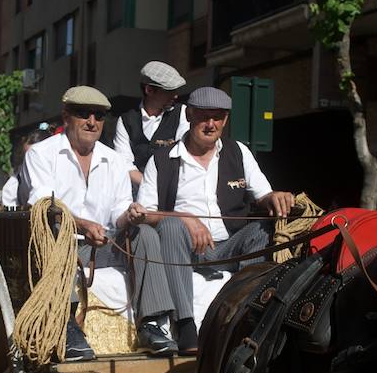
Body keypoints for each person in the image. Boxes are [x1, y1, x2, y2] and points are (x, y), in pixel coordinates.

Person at [131, 86, 295, 354]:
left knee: (262, 229)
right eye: (204, 117)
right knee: (170, 224)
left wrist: (276, 197)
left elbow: (263, 195)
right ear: (190, 115)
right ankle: (185, 324)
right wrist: (185, 217)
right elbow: (146, 214)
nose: (210, 124)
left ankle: (245, 312)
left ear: (225, 120)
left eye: (217, 117)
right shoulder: (162, 159)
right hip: (184, 247)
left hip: (229, 245)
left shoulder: (238, 152)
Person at [21, 86, 169, 358]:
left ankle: (151, 324)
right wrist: (81, 225)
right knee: (56, 234)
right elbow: (44, 206)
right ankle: (66, 326)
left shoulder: (114, 161)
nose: (92, 121)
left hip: (105, 244)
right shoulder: (41, 154)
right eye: (83, 114)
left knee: (145, 233)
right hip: (62, 246)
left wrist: (131, 214)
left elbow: (119, 211)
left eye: (99, 116)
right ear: (66, 117)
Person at [110, 61, 189, 187]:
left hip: (172, 190)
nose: (175, 96)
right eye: (169, 91)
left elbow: (185, 155)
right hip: (137, 193)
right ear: (149, 90)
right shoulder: (126, 121)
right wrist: (150, 186)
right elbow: (124, 164)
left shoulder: (182, 113)